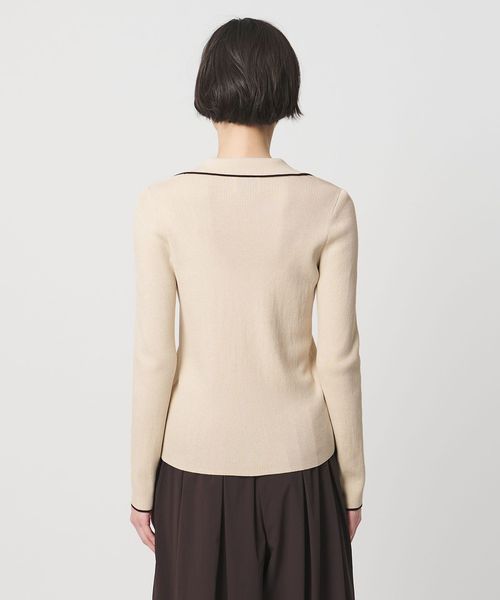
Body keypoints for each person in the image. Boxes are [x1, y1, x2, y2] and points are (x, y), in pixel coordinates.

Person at [130, 16, 366, 600]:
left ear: (208, 89)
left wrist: (140, 487)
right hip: (301, 470)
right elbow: (339, 358)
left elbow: (155, 357)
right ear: (285, 92)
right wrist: (352, 485)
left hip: (194, 467)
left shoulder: (162, 205)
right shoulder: (329, 205)